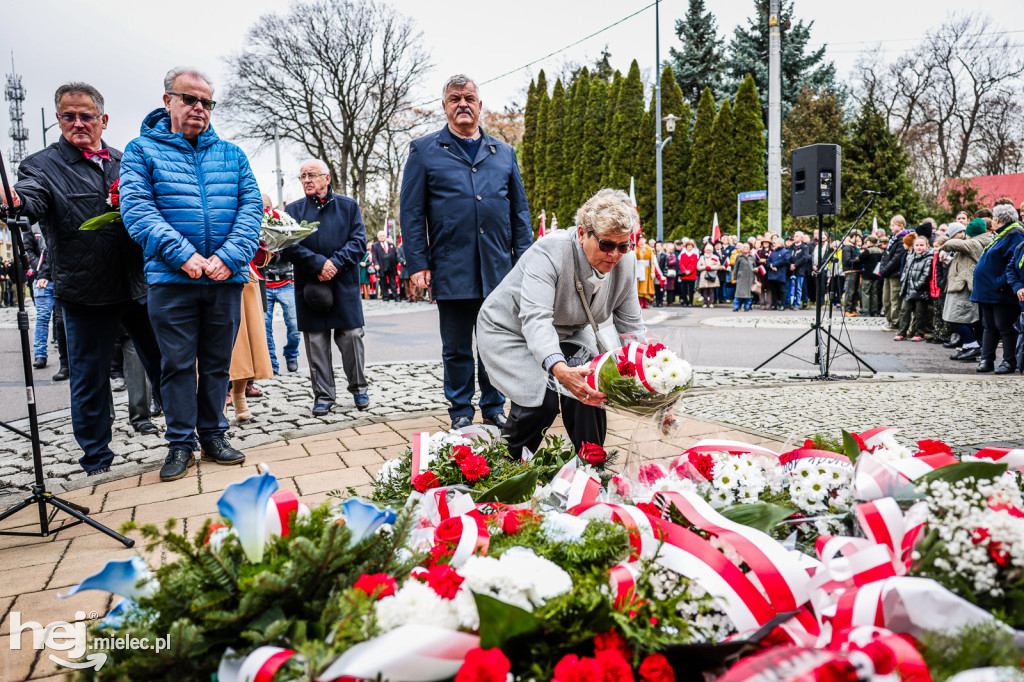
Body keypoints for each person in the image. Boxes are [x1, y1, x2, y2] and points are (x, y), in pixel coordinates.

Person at [5, 81, 163, 477]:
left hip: (138, 285)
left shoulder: (127, 160)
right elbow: (31, 198)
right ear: (58, 119)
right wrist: (15, 201)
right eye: (68, 116)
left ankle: (183, 435)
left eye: (86, 116)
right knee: (89, 379)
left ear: (103, 120)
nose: (77, 123)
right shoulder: (40, 165)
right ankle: (97, 460)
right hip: (85, 292)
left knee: (166, 364)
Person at [121, 67, 261, 482]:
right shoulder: (142, 151)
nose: (199, 108)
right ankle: (180, 443)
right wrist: (183, 255)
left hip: (224, 279)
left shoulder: (232, 155)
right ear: (168, 101)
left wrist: (229, 257)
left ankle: (214, 434)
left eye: (206, 102)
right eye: (190, 99)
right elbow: (137, 209)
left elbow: (250, 210)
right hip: (172, 280)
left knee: (218, 364)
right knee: (178, 364)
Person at [400, 74, 532, 430]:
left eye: (469, 98)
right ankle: (460, 411)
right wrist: (417, 262)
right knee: (456, 347)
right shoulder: (424, 150)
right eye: (455, 98)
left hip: (498, 269)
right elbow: (411, 213)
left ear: (479, 105)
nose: (463, 104)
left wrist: (526, 260)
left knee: (497, 342)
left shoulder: (503, 152)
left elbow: (519, 211)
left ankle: (494, 407)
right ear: (444, 107)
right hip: (450, 266)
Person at [477, 189, 645, 458]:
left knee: (588, 386)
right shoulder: (550, 250)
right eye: (606, 245)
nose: (615, 255)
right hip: (510, 329)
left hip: (568, 330)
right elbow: (536, 318)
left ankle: (591, 466)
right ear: (582, 234)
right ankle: (505, 468)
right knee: (540, 401)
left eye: (623, 246)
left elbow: (631, 326)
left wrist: (647, 376)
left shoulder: (625, 262)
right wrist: (558, 368)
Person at [284, 159, 369, 414]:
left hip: (344, 283)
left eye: (312, 175)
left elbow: (359, 242)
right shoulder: (293, 210)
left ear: (327, 178)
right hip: (311, 286)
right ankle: (323, 395)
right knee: (316, 343)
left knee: (352, 338)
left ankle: (359, 388)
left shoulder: (348, 206)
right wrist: (319, 264)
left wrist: (334, 263)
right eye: (302, 176)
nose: (307, 180)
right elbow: (288, 246)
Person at [970, 203, 1023, 373]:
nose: (992, 221)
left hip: (1000, 291)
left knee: (1004, 325)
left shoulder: (1015, 235)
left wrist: (1000, 283)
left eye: (993, 218)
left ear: (998, 220)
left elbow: (1012, 263)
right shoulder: (1002, 234)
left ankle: (1009, 361)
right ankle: (987, 359)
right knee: (989, 325)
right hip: (987, 291)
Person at [940, 219, 989, 361]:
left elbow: (951, 244)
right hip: (962, 285)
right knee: (960, 319)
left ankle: (973, 345)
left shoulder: (974, 243)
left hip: (964, 287)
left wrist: (944, 245)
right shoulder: (977, 242)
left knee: (956, 318)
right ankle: (968, 347)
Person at [894, 236, 933, 342]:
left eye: (922, 245)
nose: (919, 247)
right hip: (908, 289)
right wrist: (904, 282)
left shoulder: (929, 257)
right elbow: (906, 271)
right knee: (904, 311)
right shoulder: (910, 256)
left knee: (920, 313)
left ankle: (919, 333)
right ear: (913, 246)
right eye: (917, 245)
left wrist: (917, 286)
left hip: (921, 290)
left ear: (927, 245)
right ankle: (902, 332)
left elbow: (926, 274)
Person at [879, 215, 911, 330]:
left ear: (901, 225)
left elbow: (896, 259)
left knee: (895, 299)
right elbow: (886, 256)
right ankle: (890, 320)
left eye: (893, 225)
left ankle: (896, 323)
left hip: (895, 274)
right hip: (888, 273)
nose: (890, 227)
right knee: (886, 299)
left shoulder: (902, 239)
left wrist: (885, 269)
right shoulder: (894, 238)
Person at [858, 235, 884, 317]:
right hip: (876, 275)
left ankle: (866, 311)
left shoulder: (868, 251)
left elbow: (859, 258)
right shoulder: (880, 251)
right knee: (874, 293)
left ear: (870, 242)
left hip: (867, 274)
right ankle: (874, 311)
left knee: (865, 292)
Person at [370, 230, 399, 301]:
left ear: (386, 236)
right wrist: (376, 264)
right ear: (378, 237)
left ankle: (396, 297)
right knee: (383, 282)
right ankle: (385, 296)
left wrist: (396, 264)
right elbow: (374, 256)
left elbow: (395, 255)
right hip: (381, 266)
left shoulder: (391, 244)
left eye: (383, 236)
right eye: (380, 236)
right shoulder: (375, 245)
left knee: (393, 282)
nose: (382, 237)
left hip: (391, 266)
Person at [841, 235, 861, 316]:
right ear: (854, 236)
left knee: (855, 291)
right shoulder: (847, 248)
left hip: (856, 270)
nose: (860, 239)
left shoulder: (853, 247)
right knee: (850, 291)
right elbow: (847, 260)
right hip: (850, 271)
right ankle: (847, 309)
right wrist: (858, 259)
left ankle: (853, 308)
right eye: (858, 237)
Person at [732, 243, 755, 311]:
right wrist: (735, 278)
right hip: (741, 277)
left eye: (747, 247)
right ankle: (736, 306)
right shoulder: (739, 256)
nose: (746, 248)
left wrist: (755, 269)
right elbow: (735, 267)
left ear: (749, 249)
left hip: (750, 277)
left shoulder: (752, 257)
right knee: (738, 293)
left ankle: (747, 306)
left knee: (748, 294)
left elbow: (754, 266)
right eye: (744, 247)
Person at [677, 240, 698, 307]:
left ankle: (690, 302)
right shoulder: (682, 255)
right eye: (688, 247)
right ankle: (685, 301)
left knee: (691, 289)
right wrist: (684, 270)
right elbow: (681, 263)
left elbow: (695, 264)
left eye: (690, 247)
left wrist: (690, 271)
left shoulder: (695, 255)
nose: (689, 248)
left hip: (692, 274)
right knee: (684, 289)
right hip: (684, 274)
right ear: (686, 247)